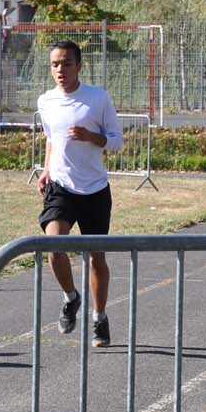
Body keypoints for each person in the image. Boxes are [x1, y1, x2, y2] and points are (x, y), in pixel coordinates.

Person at [35, 39, 123, 348]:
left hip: (95, 189)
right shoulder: (45, 101)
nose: (60, 70)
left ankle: (99, 318)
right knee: (54, 246)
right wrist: (46, 169)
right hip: (60, 187)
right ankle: (71, 298)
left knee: (95, 258)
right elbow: (51, 138)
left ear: (79, 66)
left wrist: (91, 137)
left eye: (66, 64)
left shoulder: (97, 99)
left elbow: (117, 141)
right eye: (55, 64)